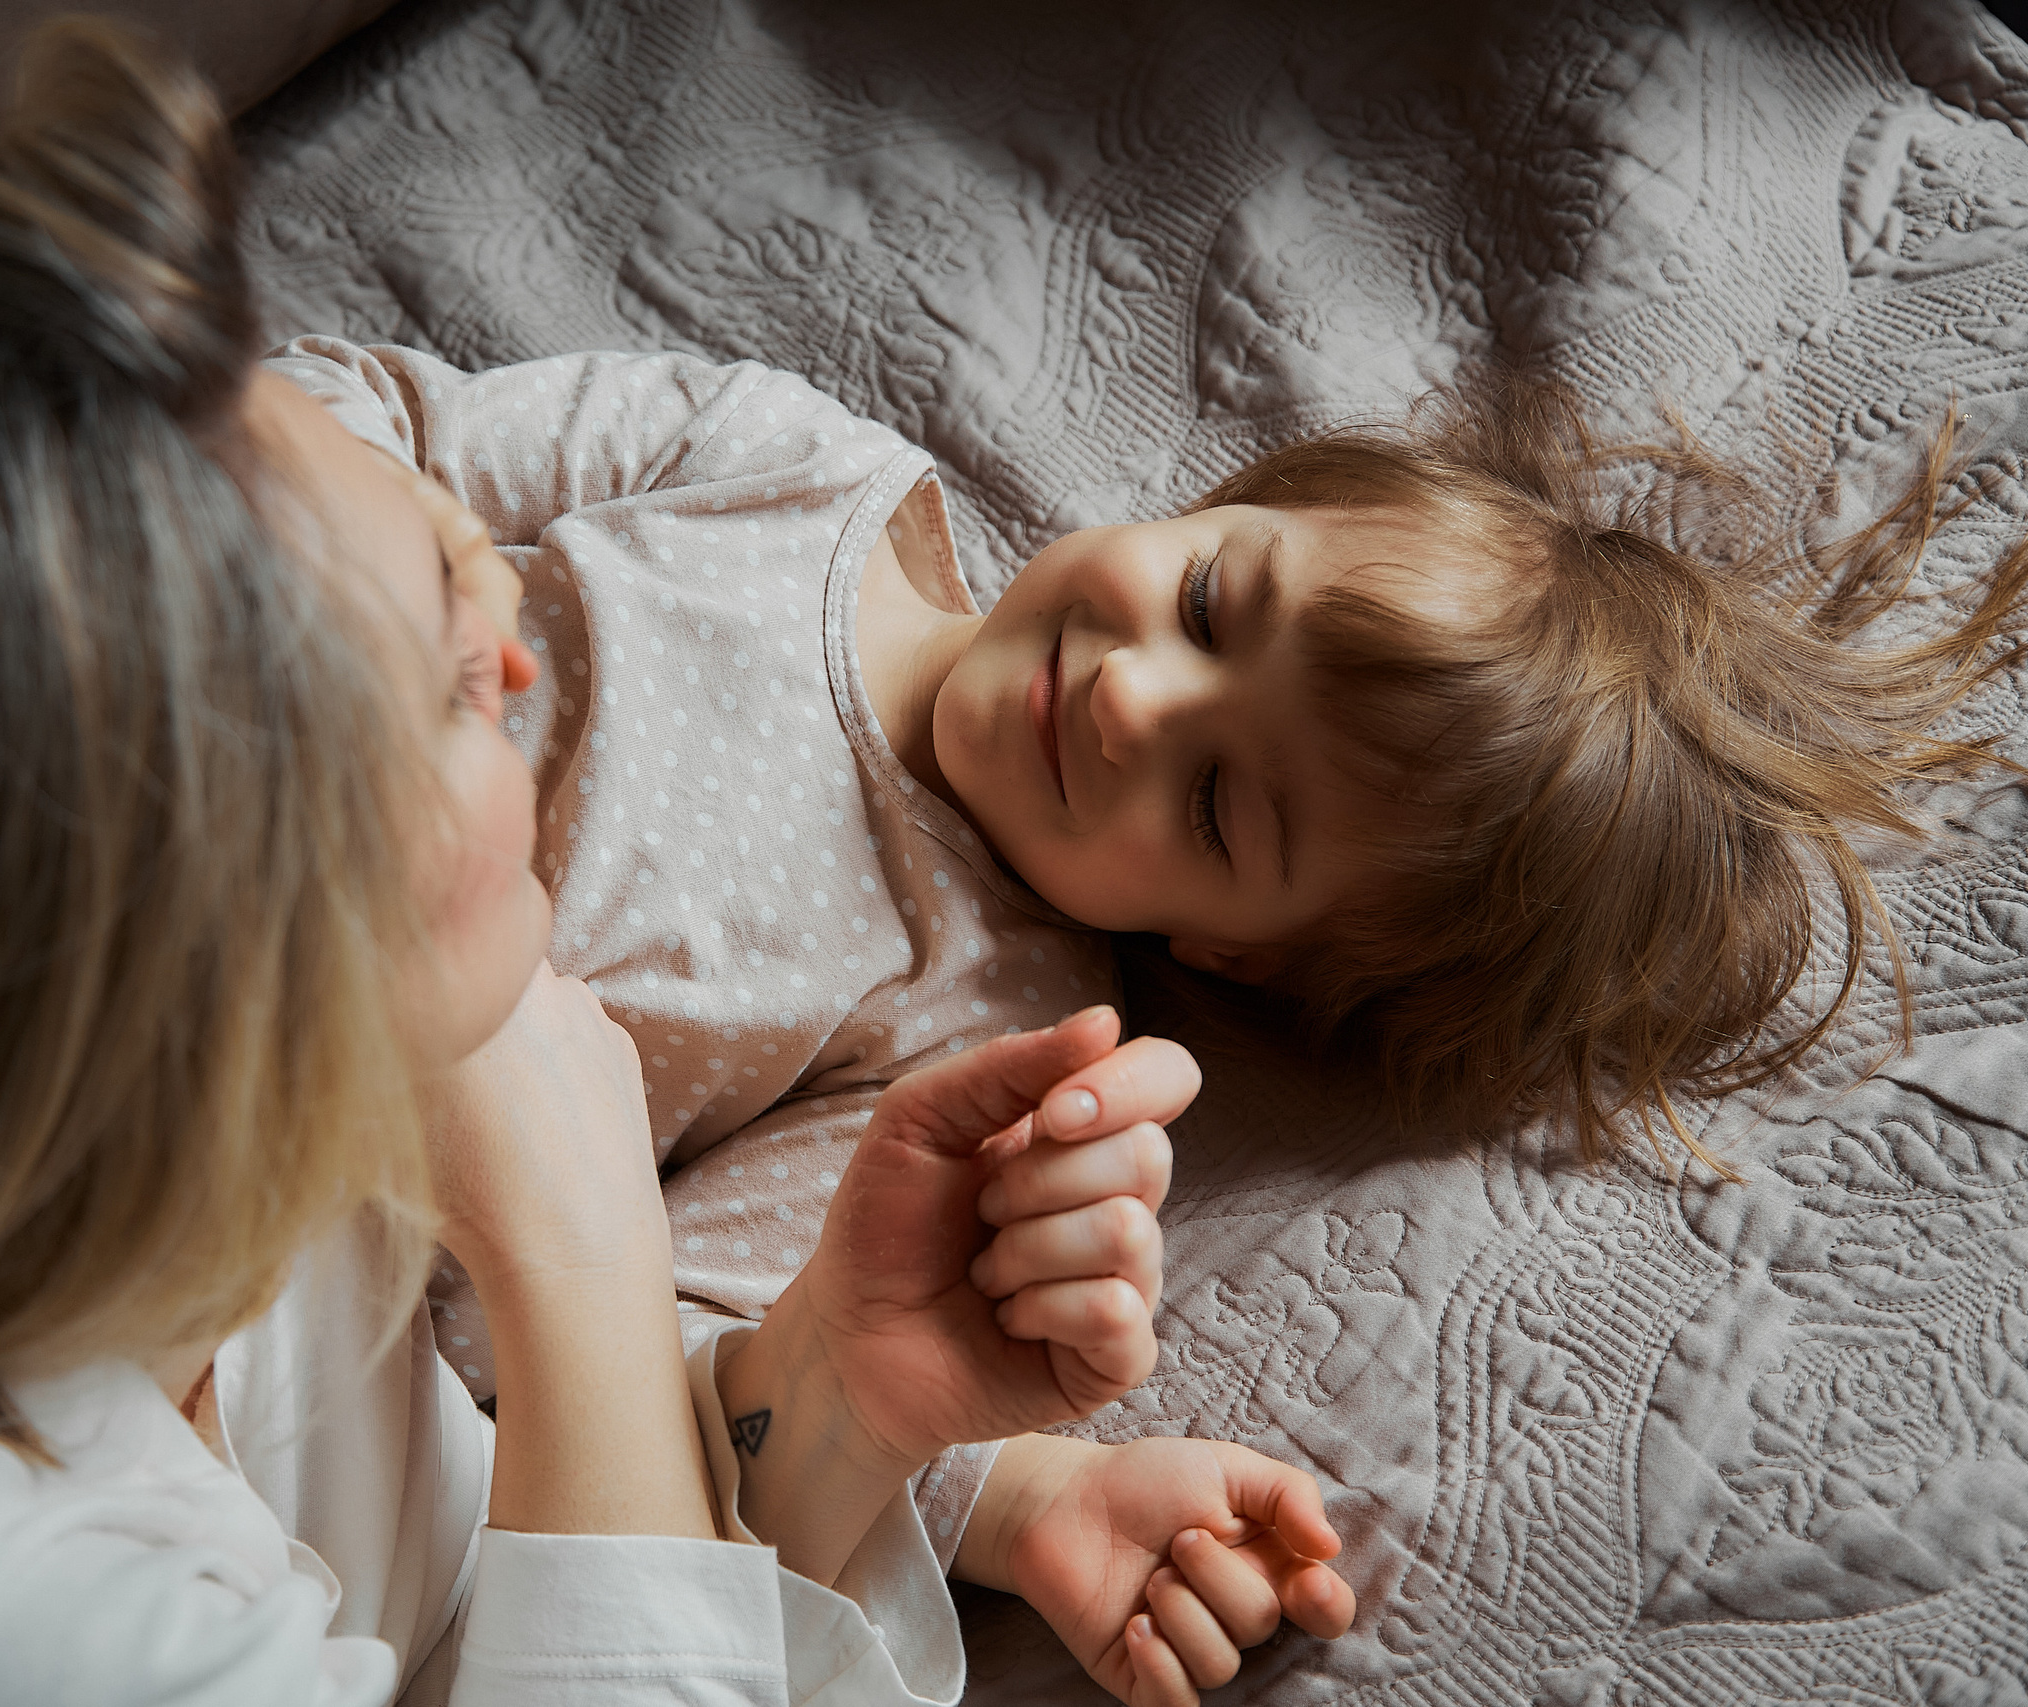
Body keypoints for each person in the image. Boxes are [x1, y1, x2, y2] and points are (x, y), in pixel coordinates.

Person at [0, 21, 1352, 1707]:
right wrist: (579, 1246)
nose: (528, 650)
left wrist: (846, 1392)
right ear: (208, 945)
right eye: (457, 680)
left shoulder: (144, 1175)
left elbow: (517, 1584)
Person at [262, 309, 2028, 1566]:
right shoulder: (793, 471)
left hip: (250, 1163)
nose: (1129, 697)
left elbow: (643, 1376)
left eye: (1218, 807)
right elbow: (351, 416)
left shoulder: (981, 1033)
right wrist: (367, 583)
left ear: (1239, 950)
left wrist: (1000, 1503)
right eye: (1207, 599)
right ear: (1230, 500)